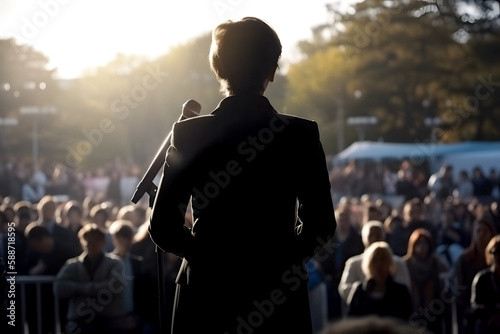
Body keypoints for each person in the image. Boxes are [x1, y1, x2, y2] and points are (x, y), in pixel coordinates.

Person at [148, 17, 336, 334]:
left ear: (219, 69)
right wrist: (279, 263)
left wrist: (207, 258)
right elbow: (321, 224)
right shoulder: (300, 135)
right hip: (278, 298)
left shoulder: (190, 134)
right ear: (272, 71)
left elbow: (163, 225)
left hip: (207, 296)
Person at [54, 223, 129, 334]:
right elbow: (59, 287)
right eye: (88, 240)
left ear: (103, 242)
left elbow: (116, 286)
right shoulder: (73, 265)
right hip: (80, 321)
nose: (92, 244)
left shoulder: (115, 263)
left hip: (109, 321)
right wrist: (90, 288)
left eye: (96, 240)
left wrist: (81, 289)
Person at [338, 221, 411, 304]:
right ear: (363, 239)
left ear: (384, 237)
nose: (374, 238)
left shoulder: (398, 263)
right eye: (370, 236)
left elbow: (404, 288)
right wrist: (363, 293)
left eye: (378, 235)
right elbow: (344, 288)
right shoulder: (354, 263)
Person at [346, 241, 413, 320]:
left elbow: (406, 320)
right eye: (375, 260)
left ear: (389, 263)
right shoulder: (359, 291)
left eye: (383, 259)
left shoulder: (401, 291)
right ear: (369, 264)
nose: (379, 264)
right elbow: (351, 319)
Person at [454, 218, 496, 334]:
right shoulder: (464, 260)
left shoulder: (496, 258)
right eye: (478, 231)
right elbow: (460, 290)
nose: (481, 235)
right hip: (471, 315)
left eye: (485, 231)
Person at [404, 228, 450, 333]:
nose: (422, 246)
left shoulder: (437, 263)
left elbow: (446, 282)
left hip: (433, 311)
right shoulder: (405, 264)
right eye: (418, 243)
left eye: (425, 243)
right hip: (411, 311)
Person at [470, 234, 500, 334]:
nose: (498, 257)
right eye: (495, 253)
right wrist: (493, 311)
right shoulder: (482, 278)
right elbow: (475, 307)